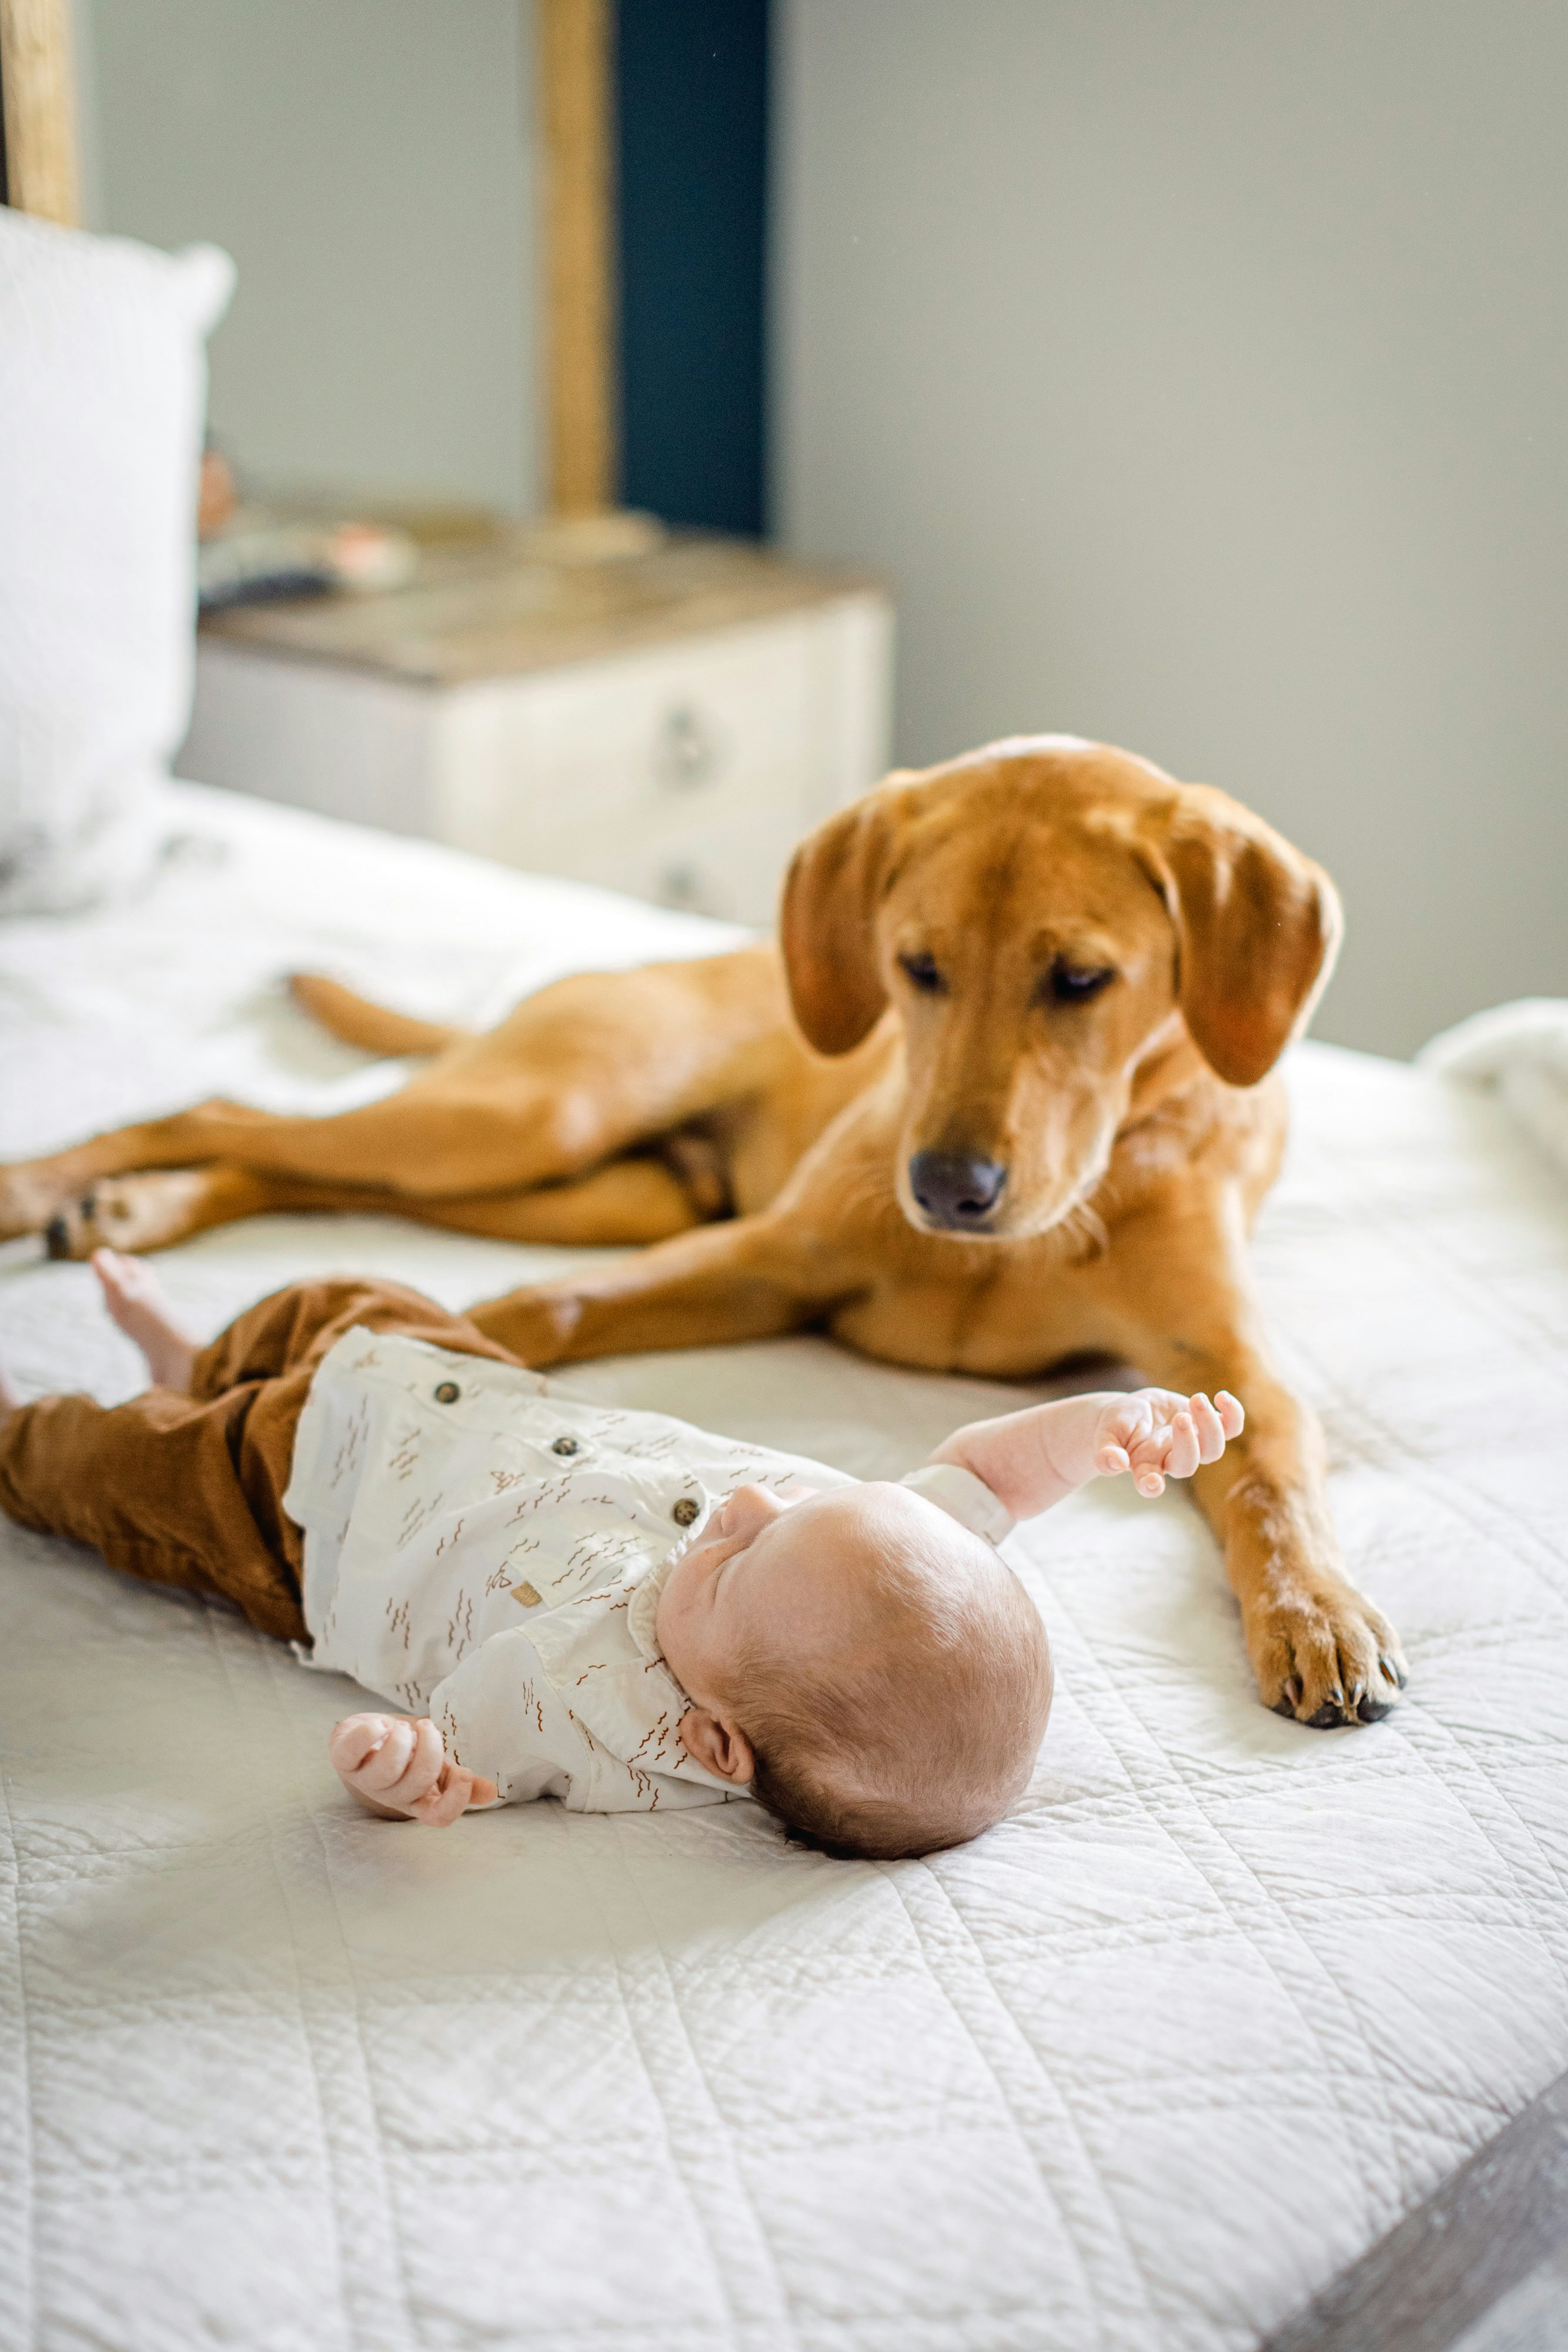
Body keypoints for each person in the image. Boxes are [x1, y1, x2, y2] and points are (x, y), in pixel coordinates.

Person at [0, 1252, 1242, 1860]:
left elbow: (459, 1764)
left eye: (739, 1555)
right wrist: (1102, 1428)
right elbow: (987, 1473)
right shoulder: (862, 1555)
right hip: (448, 1385)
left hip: (291, 1519)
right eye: (793, 1502)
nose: (748, 1498)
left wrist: (403, 1773)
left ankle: (50, 1424)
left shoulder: (600, 1724)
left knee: (98, 1472)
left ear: (712, 1741)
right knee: (329, 1298)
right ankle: (197, 1361)